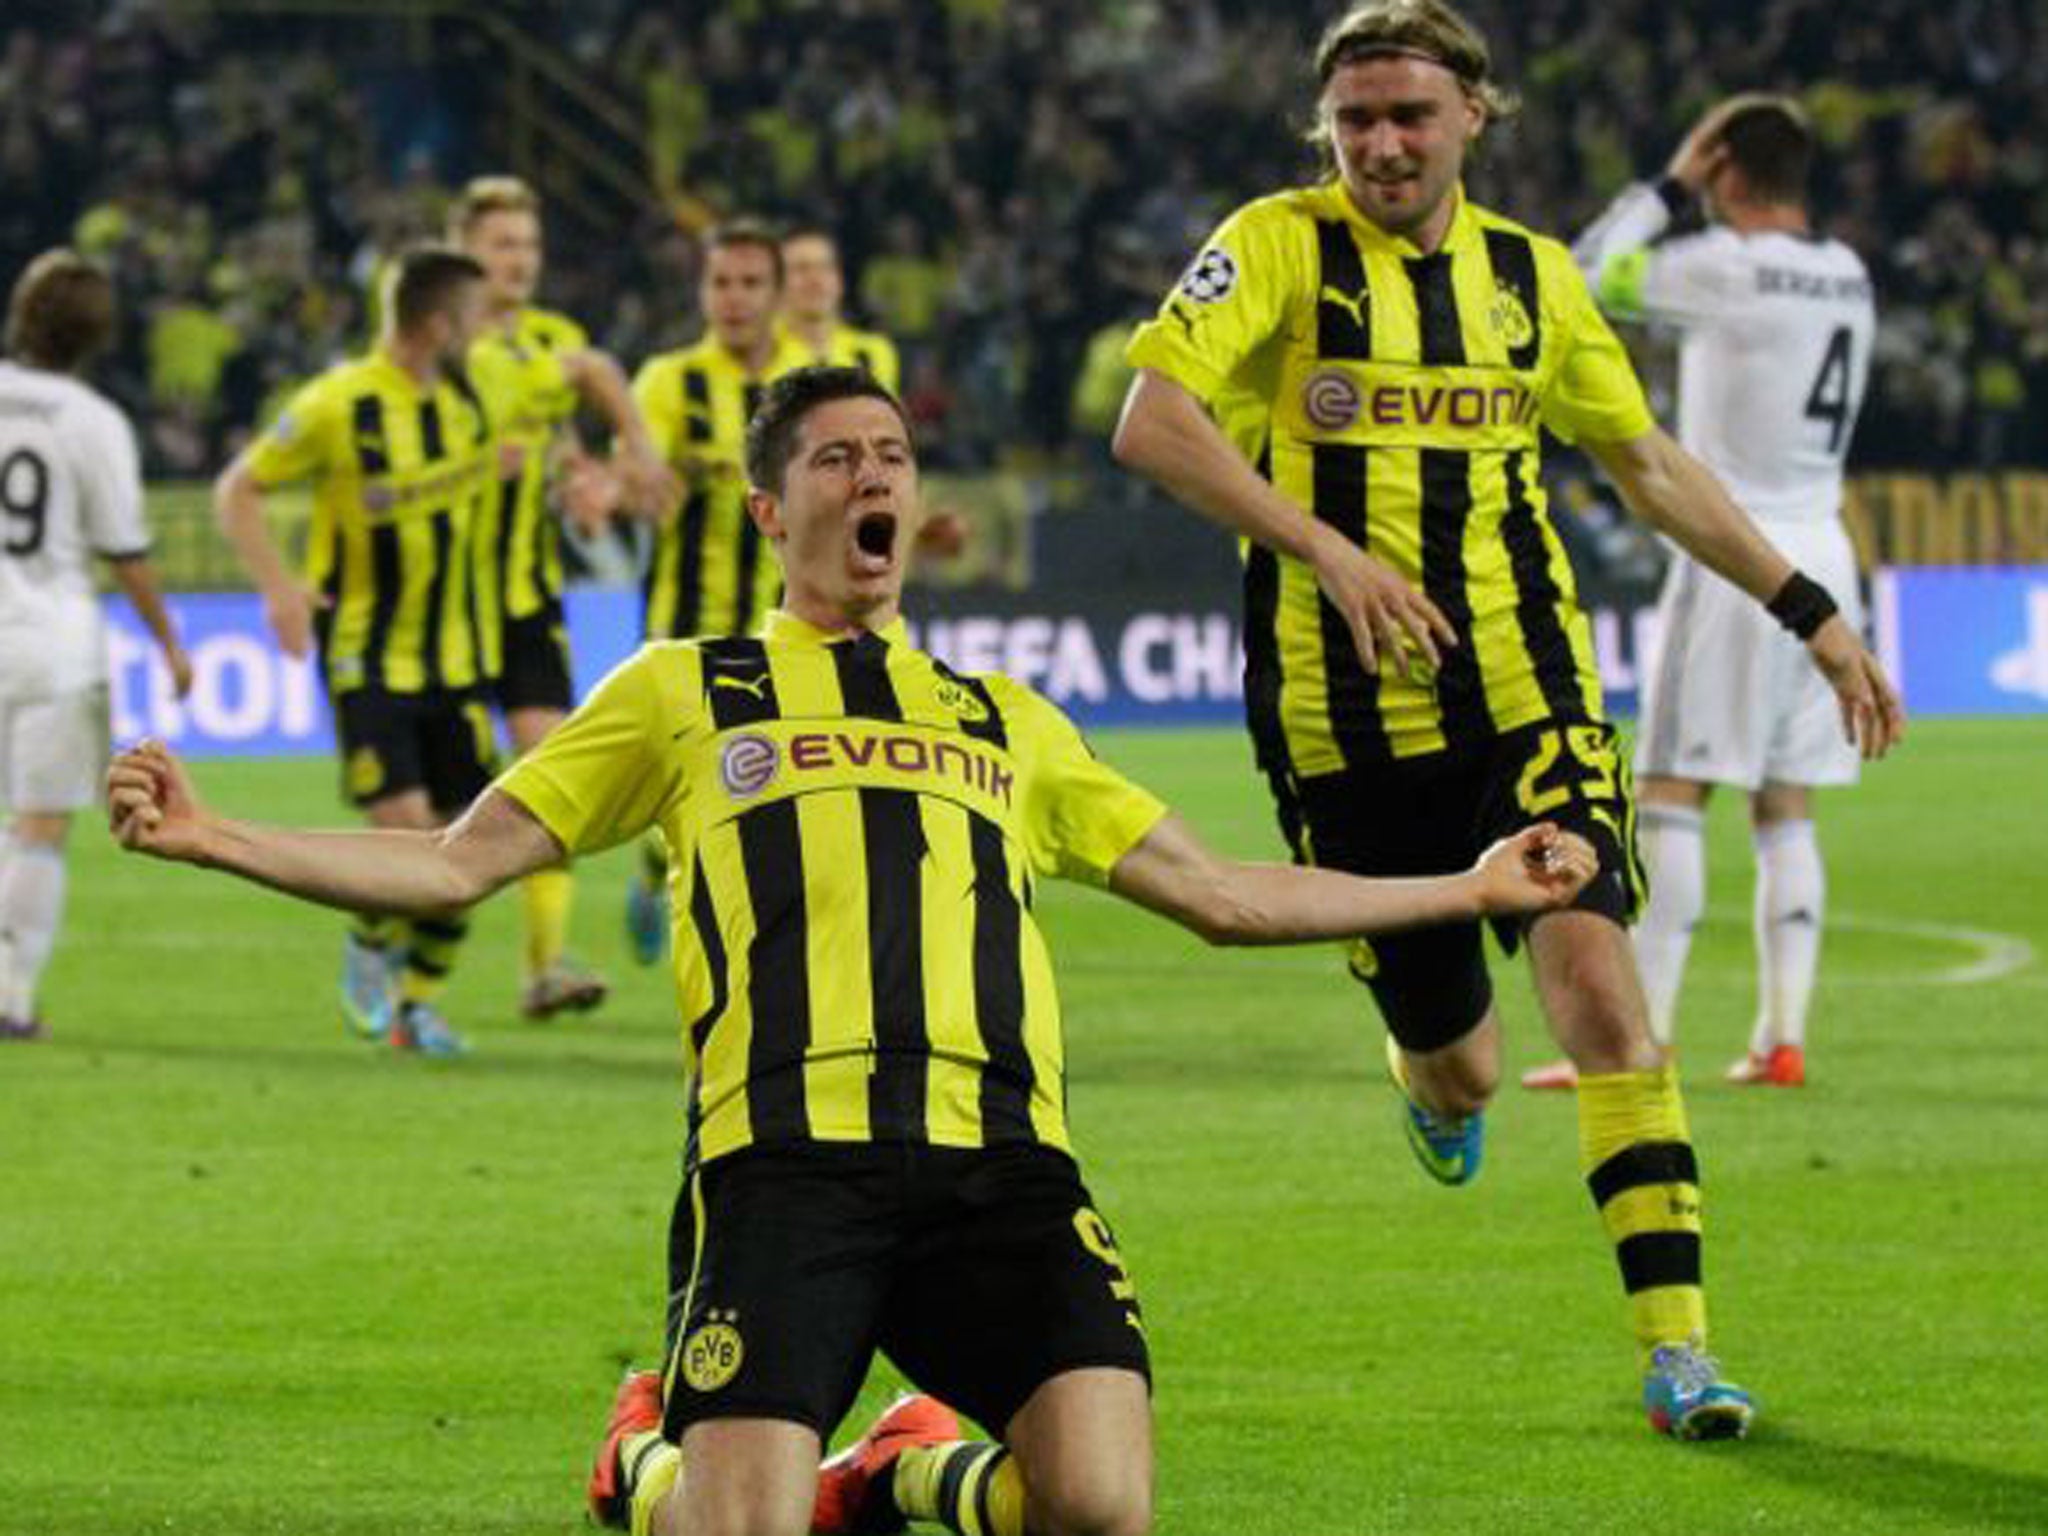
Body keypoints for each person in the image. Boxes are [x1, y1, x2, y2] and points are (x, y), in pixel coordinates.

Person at [110, 365, 1599, 1534]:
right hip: (784, 1165)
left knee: (1100, 1503)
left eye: (891, 453)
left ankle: (900, 1474)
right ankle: (640, 1458)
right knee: (733, 1526)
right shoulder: (685, 688)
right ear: (773, 512)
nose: (875, 475)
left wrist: (1464, 888)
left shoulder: (1001, 716)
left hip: (1004, 1166)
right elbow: (454, 862)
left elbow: (1223, 892)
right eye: (837, 457)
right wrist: (217, 834)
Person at [1110, 0, 1902, 1440]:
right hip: (1339, 726)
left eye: (1411, 114)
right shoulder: (1279, 245)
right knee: (1461, 1056)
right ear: (1326, 131)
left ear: (1475, 115)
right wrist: (1328, 549)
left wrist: (1813, 613)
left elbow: (1649, 468)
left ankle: (1680, 1351)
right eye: (1356, 120)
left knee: (1599, 983)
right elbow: (1153, 419)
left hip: (1522, 695)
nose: (1383, 144)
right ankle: (1434, 1081)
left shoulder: (1534, 282)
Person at [1520, 96, 1878, 1092]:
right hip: (1825, 550)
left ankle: (1644, 1038)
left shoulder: (1715, 269)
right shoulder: (1846, 272)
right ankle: (1779, 1037)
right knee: (1784, 802)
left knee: (1671, 788)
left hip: (1738, 555)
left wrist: (1668, 186)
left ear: (1722, 168)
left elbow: (1572, 277)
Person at [214, 246, 500, 1057]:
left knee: (473, 852)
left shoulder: (471, 402)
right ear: (438, 324)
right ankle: (372, 933)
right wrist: (279, 588)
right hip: (369, 658)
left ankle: (414, 1007)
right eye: (472, 319)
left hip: (460, 658)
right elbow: (238, 489)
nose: (481, 334)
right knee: (406, 827)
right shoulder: (338, 404)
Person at [450, 175, 679, 1021]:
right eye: (502, 245)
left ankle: (543, 968)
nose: (519, 262)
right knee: (435, 809)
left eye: (528, 247)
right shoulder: (441, 343)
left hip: (523, 599)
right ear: (466, 253)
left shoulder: (554, 338)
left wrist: (598, 480)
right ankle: (383, 943)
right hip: (437, 609)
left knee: (543, 777)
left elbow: (570, 445)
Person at [0, 249, 189, 1040]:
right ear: (98, 337)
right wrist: (171, 645)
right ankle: (9, 998)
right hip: (53, 653)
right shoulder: (94, 423)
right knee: (39, 825)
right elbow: (126, 551)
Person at [622, 220, 811, 963]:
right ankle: (676, 891)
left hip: (791, 628)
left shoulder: (812, 381)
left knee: (768, 800)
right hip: (687, 629)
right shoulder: (669, 382)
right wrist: (628, 485)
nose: (732, 299)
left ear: (777, 293)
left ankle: (709, 918)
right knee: (715, 792)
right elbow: (637, 472)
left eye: (748, 284)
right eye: (719, 284)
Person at [780, 226, 903, 394]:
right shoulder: (757, 355)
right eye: (802, 268)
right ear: (776, 282)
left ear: (840, 281)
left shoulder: (874, 352)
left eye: (825, 267)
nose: (815, 279)